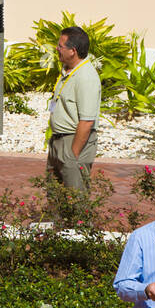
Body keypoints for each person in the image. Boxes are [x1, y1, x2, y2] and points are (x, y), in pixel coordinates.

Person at [46, 26, 101, 192]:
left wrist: (72, 155)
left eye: (60, 46)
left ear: (73, 51)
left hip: (73, 141)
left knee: (74, 198)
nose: (57, 48)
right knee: (55, 197)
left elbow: (87, 121)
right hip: (58, 141)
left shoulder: (86, 77)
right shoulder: (68, 72)